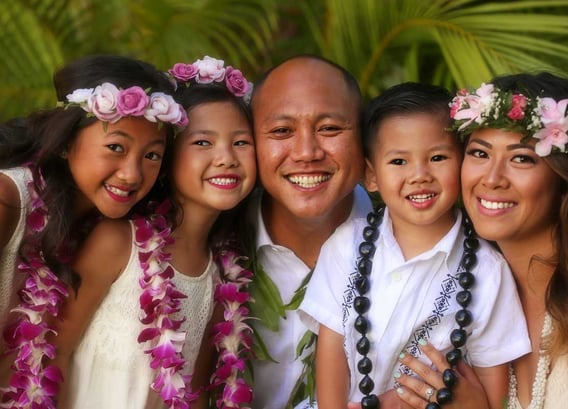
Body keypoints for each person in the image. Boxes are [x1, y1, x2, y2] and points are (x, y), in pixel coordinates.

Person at [299, 82, 531, 409]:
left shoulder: (488, 271)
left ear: (463, 163)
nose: (419, 175)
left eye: (437, 157)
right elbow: (332, 348)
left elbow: (493, 388)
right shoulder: (346, 246)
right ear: (371, 175)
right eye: (399, 162)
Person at [46, 55, 258, 409]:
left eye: (241, 142)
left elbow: (198, 396)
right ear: (167, 158)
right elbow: (54, 351)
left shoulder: (224, 278)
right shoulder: (116, 243)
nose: (226, 158)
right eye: (203, 143)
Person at [397, 72, 568, 409]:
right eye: (480, 154)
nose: (492, 178)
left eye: (521, 158)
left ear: (564, 177)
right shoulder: (454, 293)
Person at [0, 54, 185, 406]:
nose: (132, 174)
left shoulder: (108, 230)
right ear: (68, 143)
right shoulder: (8, 199)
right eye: (115, 147)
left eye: (152, 155)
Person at [247, 55, 373, 408]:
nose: (306, 152)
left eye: (330, 128)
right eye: (282, 131)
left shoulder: (418, 247)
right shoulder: (207, 243)